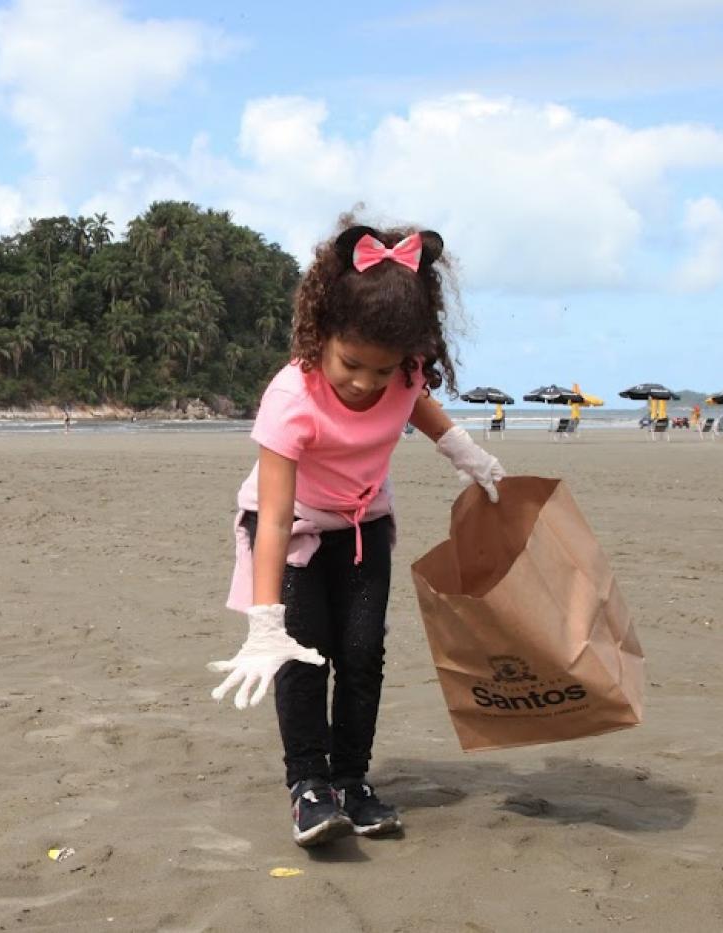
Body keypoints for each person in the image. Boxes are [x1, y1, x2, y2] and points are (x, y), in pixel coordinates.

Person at [207, 222, 505, 847]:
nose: (367, 383)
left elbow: (416, 399)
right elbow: (276, 513)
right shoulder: (292, 396)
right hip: (290, 534)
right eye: (351, 364)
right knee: (303, 654)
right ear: (322, 338)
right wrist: (266, 622)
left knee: (364, 655)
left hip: (364, 530)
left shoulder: (405, 370)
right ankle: (308, 787)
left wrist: (464, 452)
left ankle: (351, 780)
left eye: (384, 368)